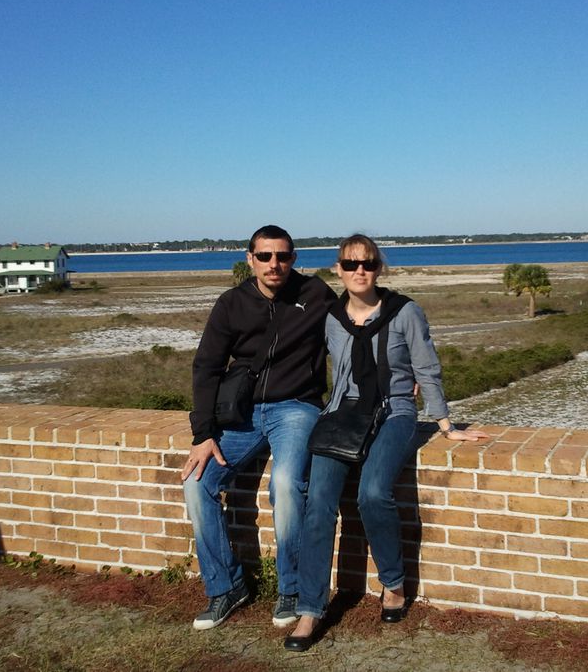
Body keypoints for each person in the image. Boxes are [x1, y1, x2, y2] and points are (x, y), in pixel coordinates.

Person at [285, 234, 488, 651]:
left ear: (380, 268)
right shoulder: (330, 317)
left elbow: (427, 368)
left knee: (374, 493)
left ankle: (393, 584)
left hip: (394, 412)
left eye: (369, 263)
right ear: (338, 270)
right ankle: (309, 609)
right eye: (351, 263)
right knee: (318, 502)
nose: (360, 271)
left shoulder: (405, 312)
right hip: (343, 413)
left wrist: (446, 426)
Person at [181, 225, 336, 630]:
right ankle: (226, 587)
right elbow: (207, 367)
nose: (274, 264)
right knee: (198, 483)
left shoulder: (316, 295)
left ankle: (293, 587)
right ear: (250, 258)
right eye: (265, 256)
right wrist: (203, 434)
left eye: (282, 256)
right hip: (242, 414)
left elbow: (355, 328)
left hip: (296, 408)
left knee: (285, 484)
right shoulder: (232, 303)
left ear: (293, 259)